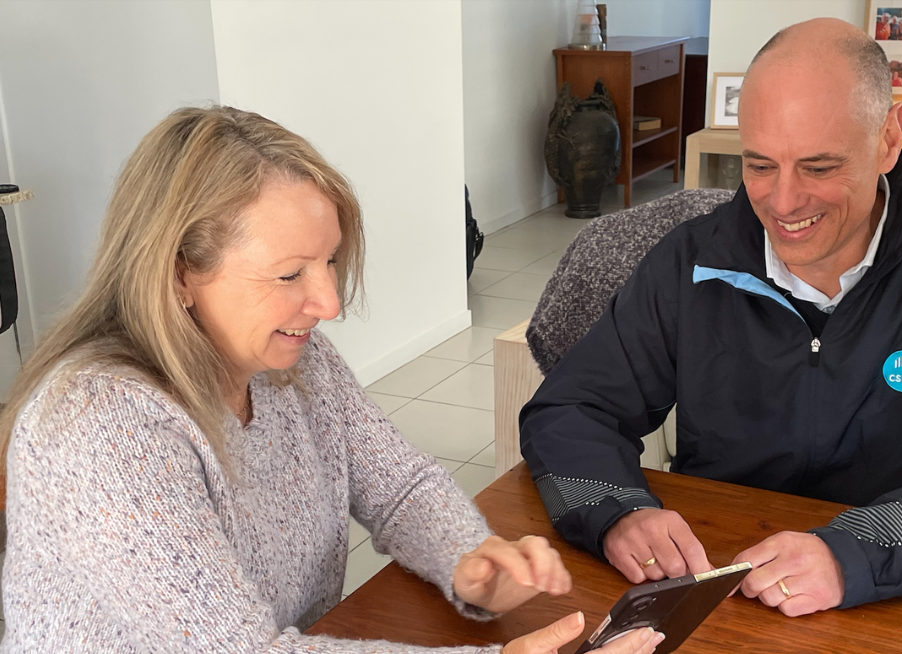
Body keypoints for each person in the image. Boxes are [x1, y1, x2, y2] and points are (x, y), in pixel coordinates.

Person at [0, 106, 666, 654]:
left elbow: (400, 487)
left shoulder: (293, 364)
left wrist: (468, 557)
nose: (328, 303)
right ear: (178, 274)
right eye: (291, 274)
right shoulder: (99, 426)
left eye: (331, 262)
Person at [519, 17, 902, 618]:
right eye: (760, 165)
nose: (782, 204)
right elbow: (571, 408)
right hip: (722, 586)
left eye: (819, 167)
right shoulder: (691, 261)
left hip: (897, 598)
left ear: (890, 138)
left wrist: (855, 556)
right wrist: (618, 511)